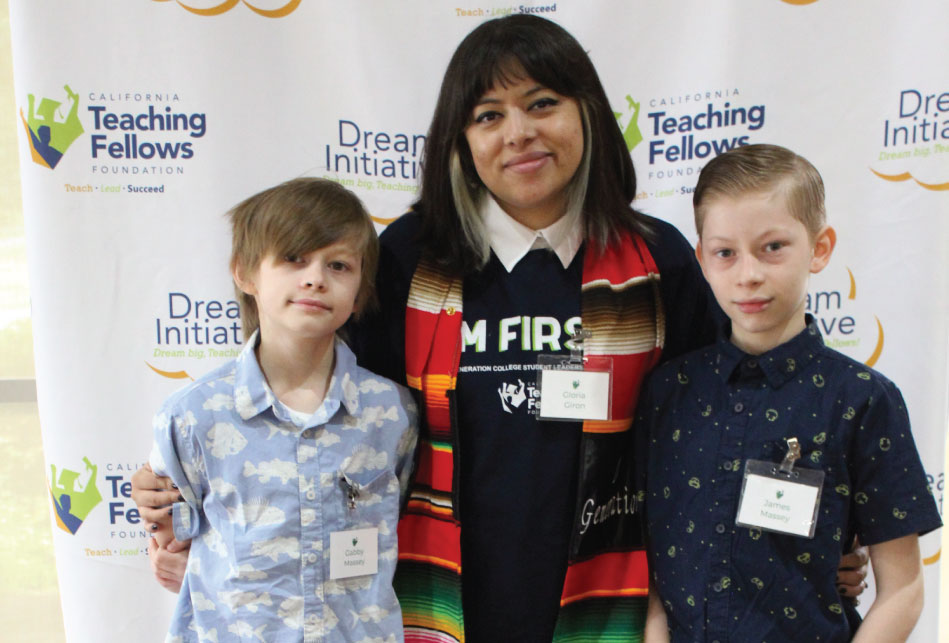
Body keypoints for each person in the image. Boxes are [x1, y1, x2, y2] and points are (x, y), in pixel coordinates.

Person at [132, 16, 868, 642]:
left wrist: (807, 534)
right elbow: (320, 423)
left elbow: (723, 420)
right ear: (460, 137)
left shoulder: (653, 260)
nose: (518, 134)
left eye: (541, 102)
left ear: (586, 113)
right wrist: (184, 502)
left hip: (612, 599)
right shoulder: (409, 259)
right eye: (487, 115)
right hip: (433, 600)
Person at [640, 144, 941, 642]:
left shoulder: (862, 399)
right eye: (725, 253)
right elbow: (657, 566)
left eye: (773, 247)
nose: (749, 274)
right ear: (702, 259)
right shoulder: (670, 392)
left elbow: (904, 588)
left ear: (820, 248)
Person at [147, 177, 418, 641]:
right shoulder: (194, 415)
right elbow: (171, 537)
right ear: (245, 273)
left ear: (360, 292)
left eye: (338, 265)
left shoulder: (390, 413)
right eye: (294, 259)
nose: (315, 278)